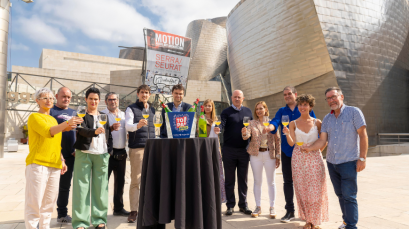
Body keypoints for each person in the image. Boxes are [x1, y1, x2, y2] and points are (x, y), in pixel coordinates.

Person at [302, 87, 368, 229]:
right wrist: (309, 148)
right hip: (332, 163)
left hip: (349, 162)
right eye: (328, 98)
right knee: (340, 194)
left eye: (334, 97)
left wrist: (362, 158)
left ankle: (351, 226)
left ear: (341, 97)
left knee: (349, 196)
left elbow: (363, 135)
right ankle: (346, 221)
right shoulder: (327, 118)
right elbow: (322, 140)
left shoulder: (354, 112)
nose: (331, 100)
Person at [25, 88, 81, 229]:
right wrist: (67, 124)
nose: (48, 100)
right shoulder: (35, 117)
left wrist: (61, 160)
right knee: (34, 204)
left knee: (48, 205)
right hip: (38, 164)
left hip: (54, 165)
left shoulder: (52, 119)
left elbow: (56, 143)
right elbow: (48, 132)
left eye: (50, 98)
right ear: (37, 101)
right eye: (44, 98)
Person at [269, 86, 316, 223]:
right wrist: (271, 127)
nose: (287, 96)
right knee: (288, 182)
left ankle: (308, 213)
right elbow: (275, 121)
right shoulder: (281, 111)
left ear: (295, 94)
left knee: (305, 182)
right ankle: (290, 211)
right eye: (285, 94)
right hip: (287, 151)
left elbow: (314, 126)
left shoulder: (304, 109)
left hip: (304, 153)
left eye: (290, 94)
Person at [283, 94, 329, 229]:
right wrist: (286, 133)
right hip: (298, 159)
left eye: (305, 104)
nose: (302, 107)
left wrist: (318, 150)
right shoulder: (293, 123)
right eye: (300, 104)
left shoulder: (318, 122)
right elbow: (292, 143)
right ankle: (308, 220)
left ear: (310, 106)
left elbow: (324, 140)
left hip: (315, 158)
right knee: (302, 190)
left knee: (316, 190)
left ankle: (314, 220)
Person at [72, 88, 113, 229]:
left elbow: (109, 133)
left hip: (102, 154)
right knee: (81, 189)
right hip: (84, 153)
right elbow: (80, 130)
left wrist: (109, 151)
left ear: (99, 101)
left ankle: (99, 220)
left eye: (96, 99)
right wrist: (94, 132)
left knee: (101, 189)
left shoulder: (104, 116)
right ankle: (80, 222)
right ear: (86, 99)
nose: (93, 101)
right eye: (91, 99)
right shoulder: (81, 114)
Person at [242, 101, 280, 218]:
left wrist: (278, 156)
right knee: (257, 181)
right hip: (256, 155)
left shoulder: (272, 123)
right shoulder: (251, 123)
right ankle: (258, 207)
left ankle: (272, 207)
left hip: (270, 154)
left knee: (271, 182)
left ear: (265, 109)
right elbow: (247, 135)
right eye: (257, 109)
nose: (259, 111)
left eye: (261, 108)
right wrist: (244, 134)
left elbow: (277, 140)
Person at [217, 90, 253, 215]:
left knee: (243, 179)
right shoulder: (226, 112)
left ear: (243, 98)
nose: (237, 99)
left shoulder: (248, 111)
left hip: (244, 150)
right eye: (235, 97)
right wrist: (218, 128)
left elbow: (252, 128)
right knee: (230, 180)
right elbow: (222, 123)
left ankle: (243, 205)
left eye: (239, 97)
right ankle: (230, 205)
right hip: (229, 150)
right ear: (232, 98)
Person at [125, 85, 155, 223]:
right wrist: (138, 125)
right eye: (142, 92)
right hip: (137, 148)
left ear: (150, 95)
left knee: (150, 181)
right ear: (138, 94)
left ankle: (148, 209)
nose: (144, 95)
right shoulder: (131, 108)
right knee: (136, 180)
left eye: (147, 93)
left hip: (153, 148)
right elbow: (128, 126)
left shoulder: (153, 109)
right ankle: (133, 211)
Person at [49, 87, 76, 224]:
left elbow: (79, 132)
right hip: (58, 155)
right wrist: (59, 155)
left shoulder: (74, 112)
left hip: (74, 155)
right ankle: (56, 214)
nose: (66, 99)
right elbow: (50, 134)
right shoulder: (51, 111)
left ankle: (64, 213)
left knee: (68, 186)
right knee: (54, 187)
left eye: (69, 97)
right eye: (63, 96)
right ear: (56, 96)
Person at [102, 92, 130, 217]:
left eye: (115, 99)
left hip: (122, 152)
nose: (113, 102)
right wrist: (111, 128)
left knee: (120, 183)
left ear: (118, 101)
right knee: (103, 183)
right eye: (110, 99)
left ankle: (118, 208)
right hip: (107, 152)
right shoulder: (102, 115)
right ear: (105, 101)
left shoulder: (124, 115)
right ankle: (101, 210)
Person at [200, 99, 227, 203]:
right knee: (204, 173)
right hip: (204, 148)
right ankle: (205, 196)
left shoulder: (217, 119)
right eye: (206, 105)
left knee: (218, 173)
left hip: (215, 148)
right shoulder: (200, 118)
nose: (208, 107)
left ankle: (219, 196)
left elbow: (219, 132)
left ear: (212, 108)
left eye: (209, 106)